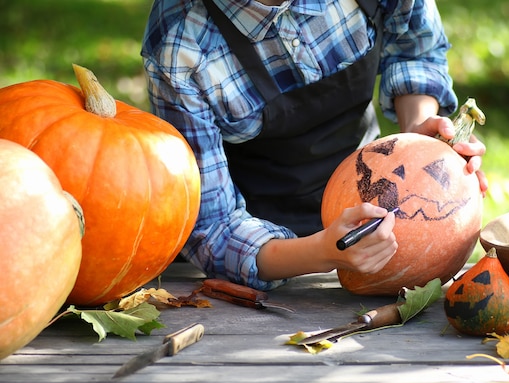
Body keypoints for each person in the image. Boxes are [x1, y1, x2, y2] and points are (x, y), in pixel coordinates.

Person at [141, 0, 488, 291]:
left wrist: (418, 140)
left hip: (382, 220)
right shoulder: (179, 46)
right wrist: (322, 252)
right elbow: (212, 232)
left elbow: (415, 47)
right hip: (269, 256)